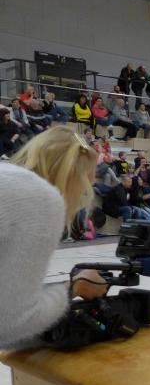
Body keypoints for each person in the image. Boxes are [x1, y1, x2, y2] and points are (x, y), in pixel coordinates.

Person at [1, 127, 108, 349]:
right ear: (73, 176)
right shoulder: (39, 197)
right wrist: (75, 287)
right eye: (84, 189)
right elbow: (10, 324)